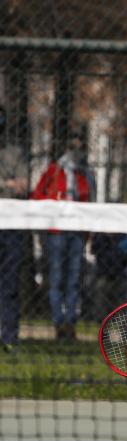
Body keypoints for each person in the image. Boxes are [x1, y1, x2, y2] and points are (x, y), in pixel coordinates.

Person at [30, 129, 94, 341]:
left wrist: (87, 230)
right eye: (71, 147)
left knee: (74, 278)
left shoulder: (84, 175)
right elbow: (38, 196)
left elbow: (89, 202)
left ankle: (71, 322)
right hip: (56, 231)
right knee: (57, 277)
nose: (75, 152)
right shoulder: (53, 172)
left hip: (76, 231)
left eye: (79, 148)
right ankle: (58, 322)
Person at [0, 105, 28, 354]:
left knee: (9, 285)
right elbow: (13, 184)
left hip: (9, 225)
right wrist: (6, 183)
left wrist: (8, 185)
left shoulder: (14, 153)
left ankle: (9, 337)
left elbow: (22, 186)